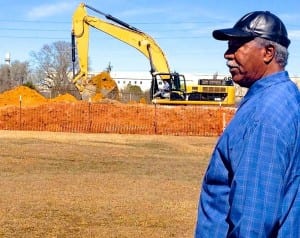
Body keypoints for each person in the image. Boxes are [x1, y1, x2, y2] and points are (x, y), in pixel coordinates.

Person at [195, 11, 300, 237]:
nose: (227, 55)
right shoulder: (285, 96)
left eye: (237, 46)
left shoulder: (264, 113)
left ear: (268, 52)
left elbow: (253, 217)